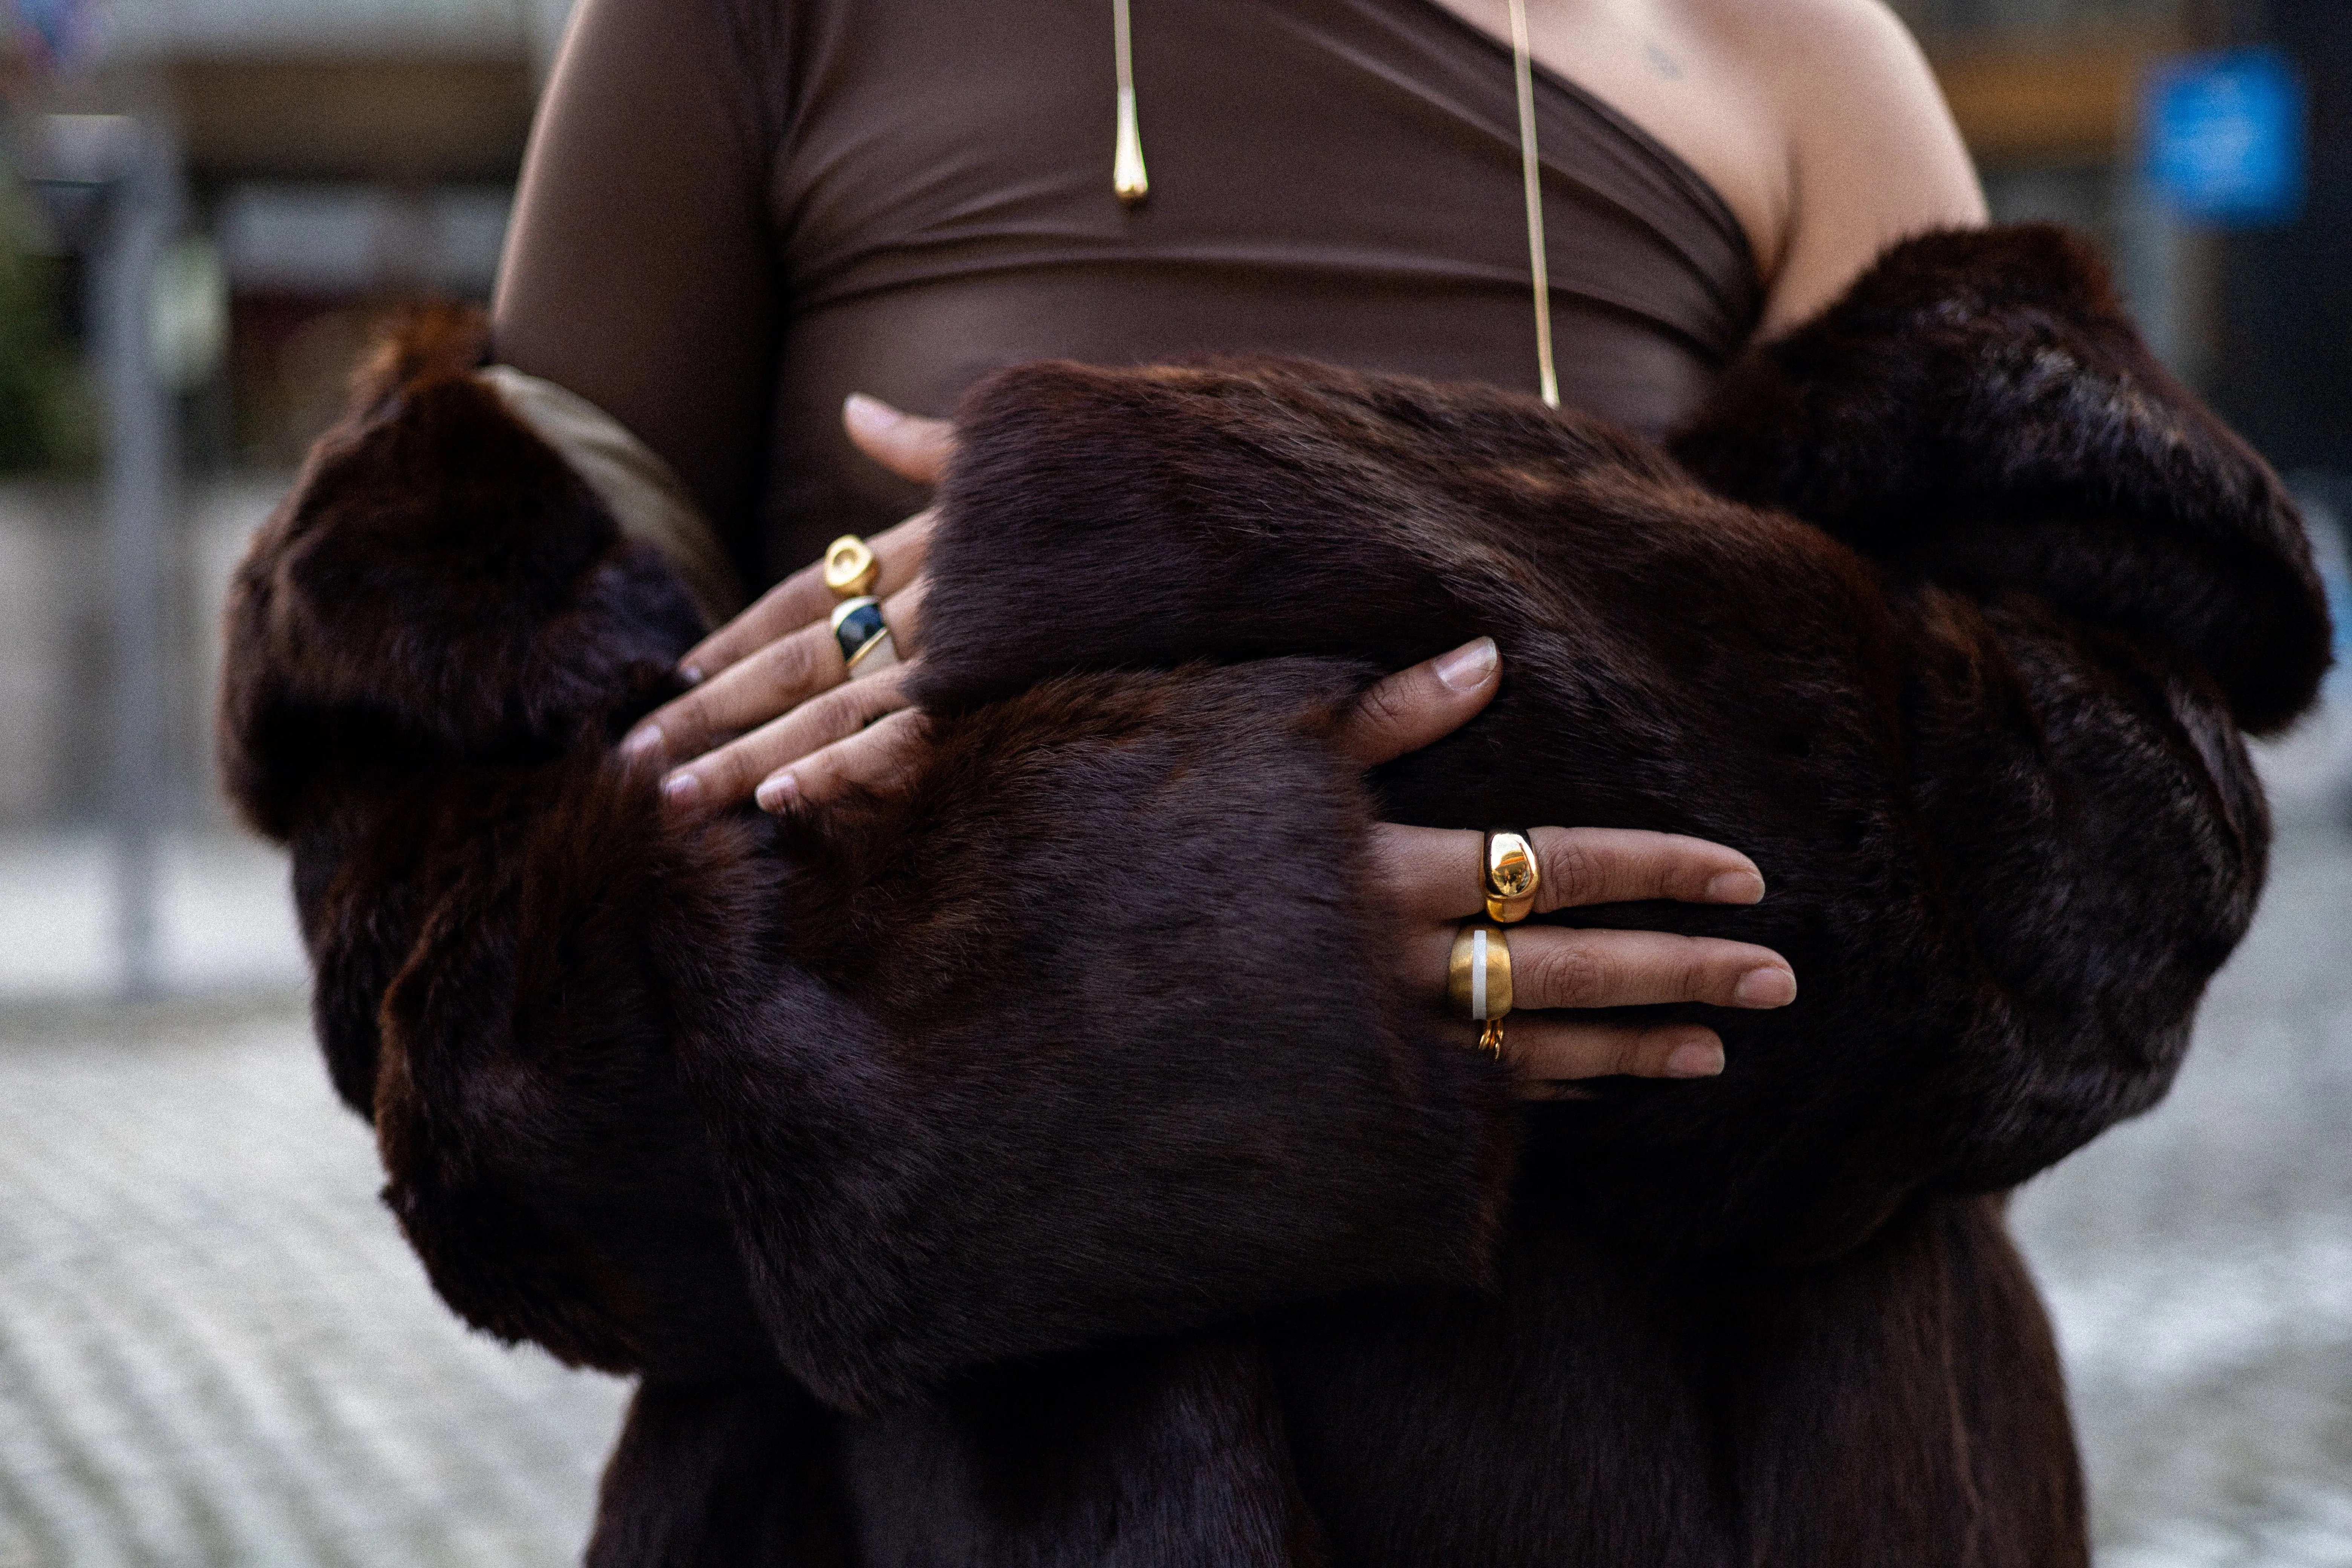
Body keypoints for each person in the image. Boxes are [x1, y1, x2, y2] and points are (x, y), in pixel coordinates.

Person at [492, 0, 1982, 1084]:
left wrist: (1222, 517)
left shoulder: (1799, 52)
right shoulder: (745, 24)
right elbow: (474, 930)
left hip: (1722, 1450)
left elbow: (2050, 841)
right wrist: (1127, 932)